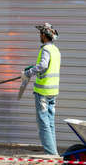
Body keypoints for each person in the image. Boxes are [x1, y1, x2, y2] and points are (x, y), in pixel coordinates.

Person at [22, 23, 61, 156]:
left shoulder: (45, 49)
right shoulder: (55, 50)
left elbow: (44, 65)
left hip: (43, 91)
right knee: (50, 123)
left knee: (43, 124)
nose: (39, 35)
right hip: (53, 92)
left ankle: (51, 154)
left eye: (40, 34)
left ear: (44, 35)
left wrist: (29, 72)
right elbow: (48, 66)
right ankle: (53, 152)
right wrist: (33, 67)